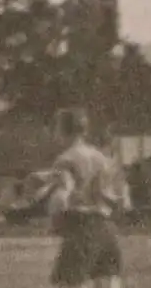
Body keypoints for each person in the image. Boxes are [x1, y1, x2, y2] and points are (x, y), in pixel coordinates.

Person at [47, 108, 125, 288]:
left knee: (67, 283)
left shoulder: (65, 159)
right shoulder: (101, 157)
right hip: (106, 228)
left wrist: (54, 215)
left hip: (81, 228)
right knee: (107, 282)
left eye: (56, 128)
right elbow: (111, 196)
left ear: (61, 130)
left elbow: (62, 195)